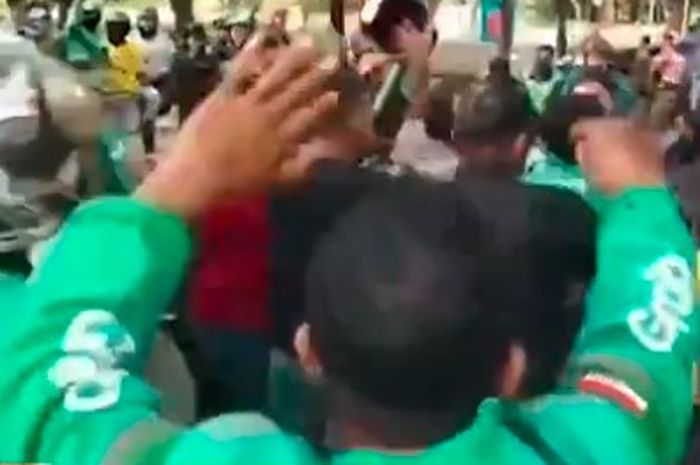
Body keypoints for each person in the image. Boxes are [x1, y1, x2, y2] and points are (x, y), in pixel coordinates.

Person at [650, 31, 688, 130]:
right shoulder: (682, 58)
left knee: (658, 120)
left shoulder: (669, 53)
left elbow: (655, 65)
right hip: (675, 89)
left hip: (666, 88)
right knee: (670, 120)